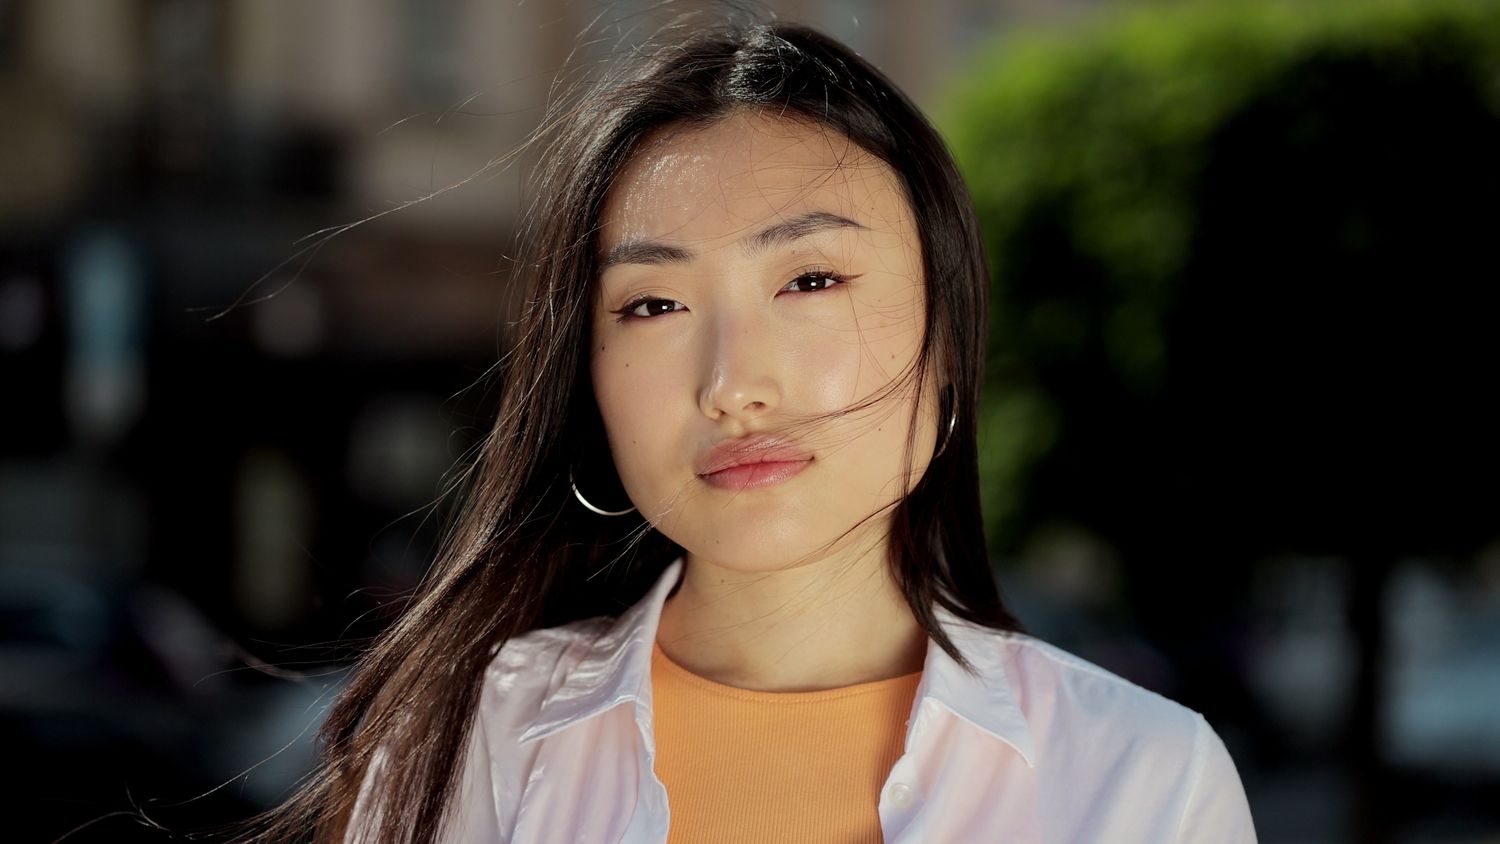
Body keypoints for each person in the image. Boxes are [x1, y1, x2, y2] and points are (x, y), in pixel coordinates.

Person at [240, 17, 1257, 844]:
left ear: (948, 341)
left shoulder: (1142, 782)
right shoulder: (466, 747)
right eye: (652, 305)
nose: (732, 387)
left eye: (810, 280)